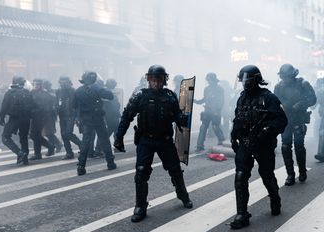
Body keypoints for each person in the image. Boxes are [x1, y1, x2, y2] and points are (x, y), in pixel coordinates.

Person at [114, 65, 193, 223]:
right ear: (148, 79)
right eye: (153, 79)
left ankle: (183, 196)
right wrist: (119, 136)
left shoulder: (170, 96)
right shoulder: (140, 96)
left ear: (164, 80)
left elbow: (178, 117)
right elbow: (127, 115)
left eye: (159, 79)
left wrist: (184, 119)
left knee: (175, 170)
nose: (156, 82)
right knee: (141, 173)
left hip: (164, 140)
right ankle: (140, 206)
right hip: (146, 140)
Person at [230, 65, 287, 229]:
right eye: (243, 80)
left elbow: (281, 120)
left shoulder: (268, 98)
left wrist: (267, 131)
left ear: (256, 80)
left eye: (248, 80)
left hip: (263, 145)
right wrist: (234, 136)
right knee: (240, 177)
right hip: (245, 143)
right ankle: (242, 214)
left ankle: (275, 199)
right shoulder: (242, 98)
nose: (245, 83)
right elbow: (238, 118)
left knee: (267, 176)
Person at [274, 64, 316, 186]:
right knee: (286, 147)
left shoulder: (303, 84)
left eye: (287, 77)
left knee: (299, 146)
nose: (285, 79)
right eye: (283, 77)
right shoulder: (278, 87)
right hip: (285, 120)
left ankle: (302, 171)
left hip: (299, 119)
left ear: (292, 75)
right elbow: (274, 102)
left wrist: (301, 104)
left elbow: (313, 99)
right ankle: (290, 174)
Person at [73, 71, 117, 176]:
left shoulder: (78, 91)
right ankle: (110, 163)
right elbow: (110, 96)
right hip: (97, 118)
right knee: (104, 140)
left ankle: (81, 167)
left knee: (85, 142)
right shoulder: (97, 88)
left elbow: (74, 105)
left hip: (86, 119)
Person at [0, 76, 33, 165]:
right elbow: (32, 106)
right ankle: (25, 158)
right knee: (23, 138)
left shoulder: (9, 93)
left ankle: (20, 153)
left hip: (14, 118)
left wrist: (1, 118)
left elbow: (4, 107)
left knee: (5, 137)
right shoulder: (27, 92)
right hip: (26, 119)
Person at [194, 72, 225, 152]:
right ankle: (199, 146)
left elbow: (221, 101)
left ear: (214, 80)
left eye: (210, 80)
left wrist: (217, 111)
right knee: (203, 127)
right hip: (207, 111)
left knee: (215, 127)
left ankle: (222, 141)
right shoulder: (206, 89)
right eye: (208, 80)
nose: (209, 81)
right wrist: (196, 101)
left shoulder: (220, 89)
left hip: (215, 112)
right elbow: (205, 99)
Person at [29, 78, 56, 160]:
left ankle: (44, 149)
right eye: (35, 84)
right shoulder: (32, 93)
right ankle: (42, 151)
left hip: (41, 117)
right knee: (35, 135)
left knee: (34, 135)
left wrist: (33, 110)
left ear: (41, 85)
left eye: (38, 84)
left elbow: (46, 106)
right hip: (35, 117)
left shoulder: (44, 94)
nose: (36, 86)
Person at [56, 76, 81, 159]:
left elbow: (78, 105)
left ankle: (82, 145)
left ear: (69, 82)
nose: (63, 84)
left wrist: (77, 116)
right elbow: (57, 102)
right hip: (62, 115)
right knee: (63, 134)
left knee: (68, 133)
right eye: (61, 82)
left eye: (65, 82)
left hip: (71, 115)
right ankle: (69, 152)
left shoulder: (74, 91)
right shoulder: (58, 91)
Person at [42, 79, 63, 153]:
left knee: (49, 132)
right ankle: (56, 144)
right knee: (46, 133)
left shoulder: (52, 92)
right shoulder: (44, 92)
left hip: (50, 114)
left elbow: (54, 101)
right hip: (44, 115)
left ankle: (57, 144)